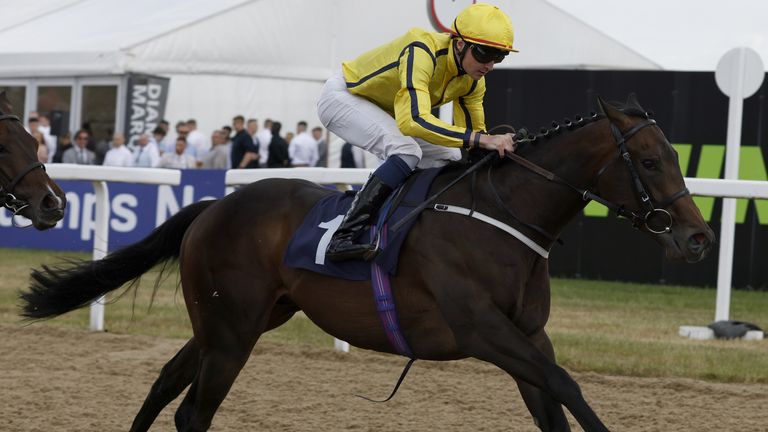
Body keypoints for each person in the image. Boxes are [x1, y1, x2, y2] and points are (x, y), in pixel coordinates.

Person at [317, 3, 517, 261]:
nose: (489, 64)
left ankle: (414, 227)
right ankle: (343, 236)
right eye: (484, 53)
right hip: (343, 96)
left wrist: (503, 148)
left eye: (498, 57)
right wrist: (482, 139)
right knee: (406, 150)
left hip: (385, 110)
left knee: (451, 157)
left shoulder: (473, 81)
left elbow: (474, 139)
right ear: (459, 44)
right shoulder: (421, 50)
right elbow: (413, 120)